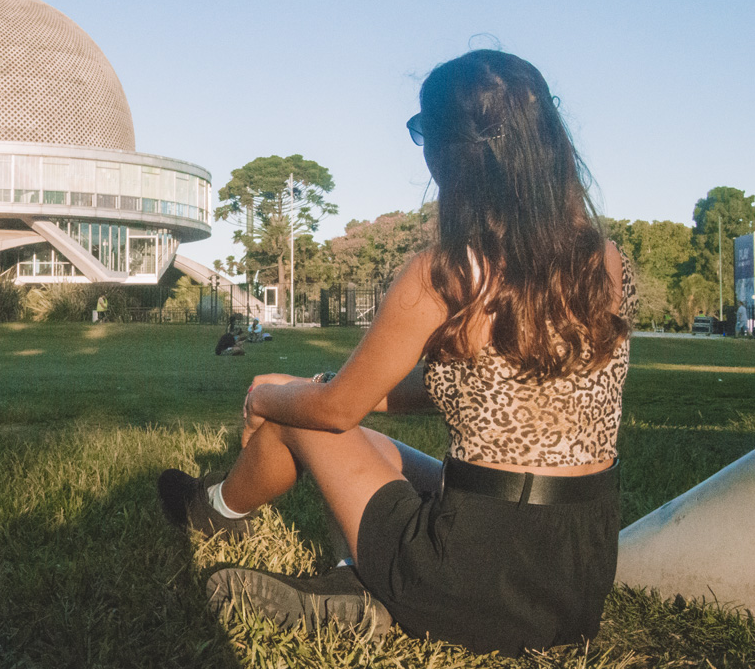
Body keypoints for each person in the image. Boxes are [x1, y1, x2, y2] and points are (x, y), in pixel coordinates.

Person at [159, 50, 635, 656]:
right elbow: (490, 391)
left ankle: (214, 511)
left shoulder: (447, 275)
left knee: (292, 414)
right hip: (579, 576)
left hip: (476, 576)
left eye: (422, 132)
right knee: (361, 437)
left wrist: (266, 394)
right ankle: (357, 587)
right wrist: (340, 389)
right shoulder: (607, 263)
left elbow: (333, 412)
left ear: (450, 153)